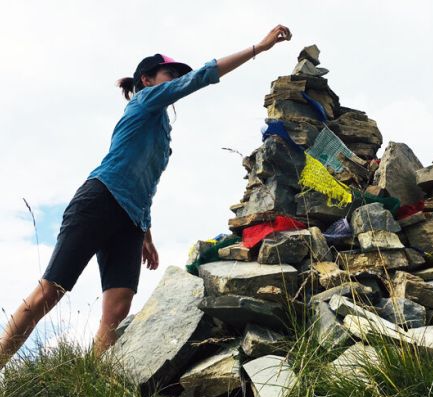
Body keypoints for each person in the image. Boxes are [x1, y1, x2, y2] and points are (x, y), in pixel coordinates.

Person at [0, 24, 292, 368]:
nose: (176, 78)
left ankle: (91, 382)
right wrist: (259, 47)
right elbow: (202, 76)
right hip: (99, 200)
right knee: (52, 290)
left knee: (118, 309)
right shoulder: (144, 101)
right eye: (170, 73)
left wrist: (146, 235)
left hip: (131, 220)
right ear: (147, 79)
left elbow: (145, 183)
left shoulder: (162, 133)